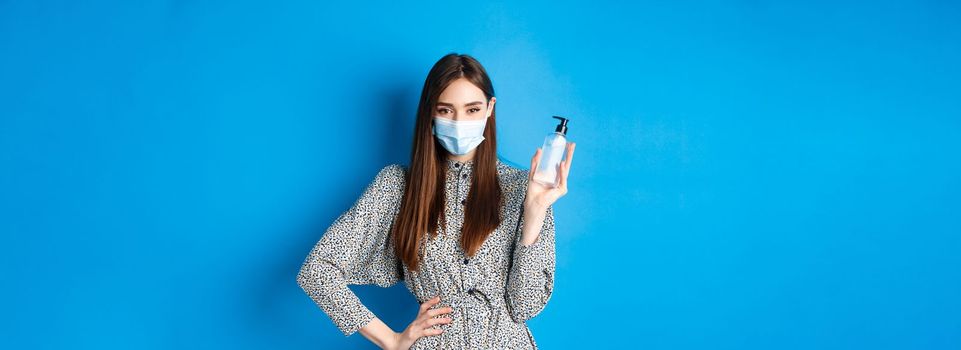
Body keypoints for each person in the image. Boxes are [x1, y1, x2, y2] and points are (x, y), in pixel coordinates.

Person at [297, 53, 576, 349]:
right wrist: (391, 340)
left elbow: (524, 307)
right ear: (430, 112)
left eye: (472, 109)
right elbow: (317, 271)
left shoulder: (524, 187)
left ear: (490, 109)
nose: (459, 121)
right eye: (446, 110)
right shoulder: (397, 187)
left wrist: (534, 211)